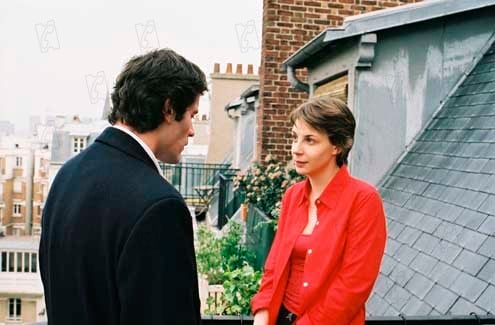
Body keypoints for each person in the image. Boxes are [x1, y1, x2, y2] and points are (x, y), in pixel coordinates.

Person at [39, 49, 207, 325]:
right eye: (192, 114)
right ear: (168, 109)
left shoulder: (67, 175)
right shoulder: (160, 206)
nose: (192, 129)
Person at [251, 96, 387, 325]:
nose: (296, 149)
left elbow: (353, 286)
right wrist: (262, 314)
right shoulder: (293, 196)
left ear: (337, 145)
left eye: (310, 140)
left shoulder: (363, 200)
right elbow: (274, 266)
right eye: (295, 138)